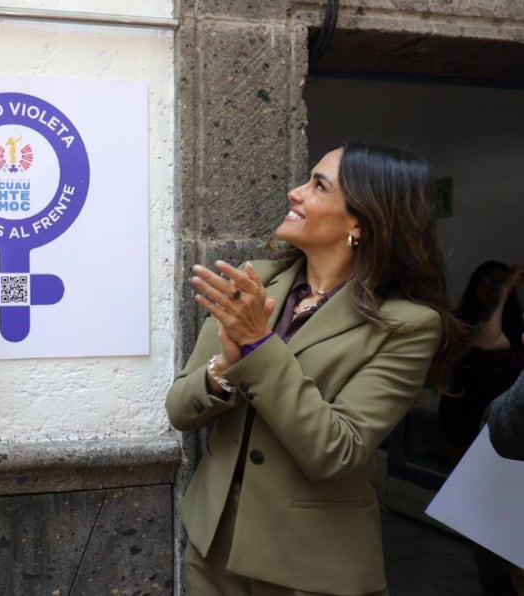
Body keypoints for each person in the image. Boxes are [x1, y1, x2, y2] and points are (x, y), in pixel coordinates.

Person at [165, 142, 463, 596]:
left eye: (318, 185)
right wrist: (225, 365)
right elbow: (180, 410)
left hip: (310, 565)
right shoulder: (254, 282)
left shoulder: (407, 324)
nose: (294, 192)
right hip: (213, 545)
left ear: (361, 220)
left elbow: (335, 451)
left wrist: (259, 345)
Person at [439, 261, 524, 462]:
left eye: (500, 282)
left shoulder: (513, 324)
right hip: (459, 411)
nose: (493, 286)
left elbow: (488, 341)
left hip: (498, 416)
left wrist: (504, 289)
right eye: (487, 280)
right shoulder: (459, 319)